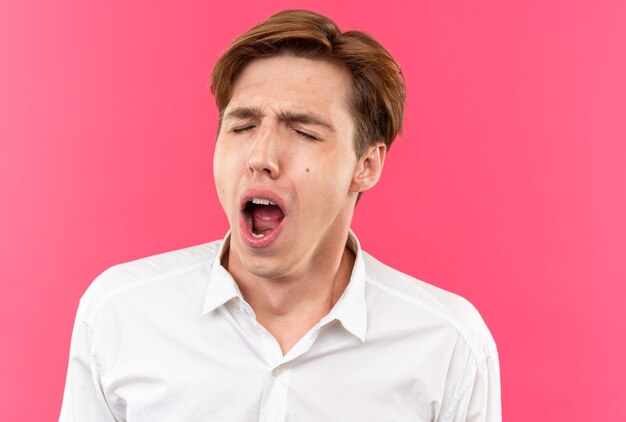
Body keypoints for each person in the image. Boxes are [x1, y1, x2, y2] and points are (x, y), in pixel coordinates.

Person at [60, 9, 501, 422]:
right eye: (242, 127)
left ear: (365, 165)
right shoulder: (120, 313)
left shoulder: (448, 346)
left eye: (304, 132)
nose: (260, 156)